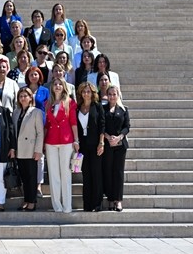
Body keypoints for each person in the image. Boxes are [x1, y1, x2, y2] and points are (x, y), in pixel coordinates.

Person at [43, 76, 79, 213]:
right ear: (52, 87)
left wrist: (76, 140)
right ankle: (57, 206)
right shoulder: (48, 103)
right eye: (55, 84)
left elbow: (74, 122)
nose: (57, 86)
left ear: (64, 87)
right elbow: (46, 124)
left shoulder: (70, 102)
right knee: (53, 175)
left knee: (65, 174)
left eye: (60, 84)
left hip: (66, 140)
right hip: (51, 141)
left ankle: (67, 206)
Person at [74, 81, 107, 212]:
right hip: (83, 146)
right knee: (86, 175)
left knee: (96, 174)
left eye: (88, 91)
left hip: (95, 145)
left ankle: (97, 204)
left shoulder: (97, 107)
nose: (86, 94)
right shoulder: (78, 108)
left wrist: (101, 142)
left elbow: (102, 125)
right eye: (84, 91)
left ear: (92, 93)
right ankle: (87, 204)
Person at [100, 76, 131, 212]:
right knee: (108, 172)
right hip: (107, 144)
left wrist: (118, 137)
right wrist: (107, 137)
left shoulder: (123, 109)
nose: (112, 96)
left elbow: (127, 126)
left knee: (118, 173)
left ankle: (118, 200)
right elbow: (101, 125)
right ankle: (110, 199)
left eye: (114, 94)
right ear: (107, 95)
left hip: (120, 145)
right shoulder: (103, 109)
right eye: (110, 94)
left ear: (118, 95)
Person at [13, 86, 44, 211]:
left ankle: (32, 201)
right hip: (20, 149)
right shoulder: (16, 112)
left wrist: (38, 150)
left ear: (31, 97)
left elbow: (40, 133)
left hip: (31, 149)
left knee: (31, 176)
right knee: (24, 177)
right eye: (21, 96)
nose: (23, 98)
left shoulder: (36, 112)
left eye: (25, 96)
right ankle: (26, 199)